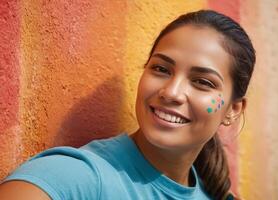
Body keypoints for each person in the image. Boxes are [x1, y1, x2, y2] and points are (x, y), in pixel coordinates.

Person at [0, 10, 255, 200]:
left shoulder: (216, 195)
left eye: (202, 82)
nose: (172, 92)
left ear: (233, 110)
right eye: (161, 69)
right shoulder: (79, 177)